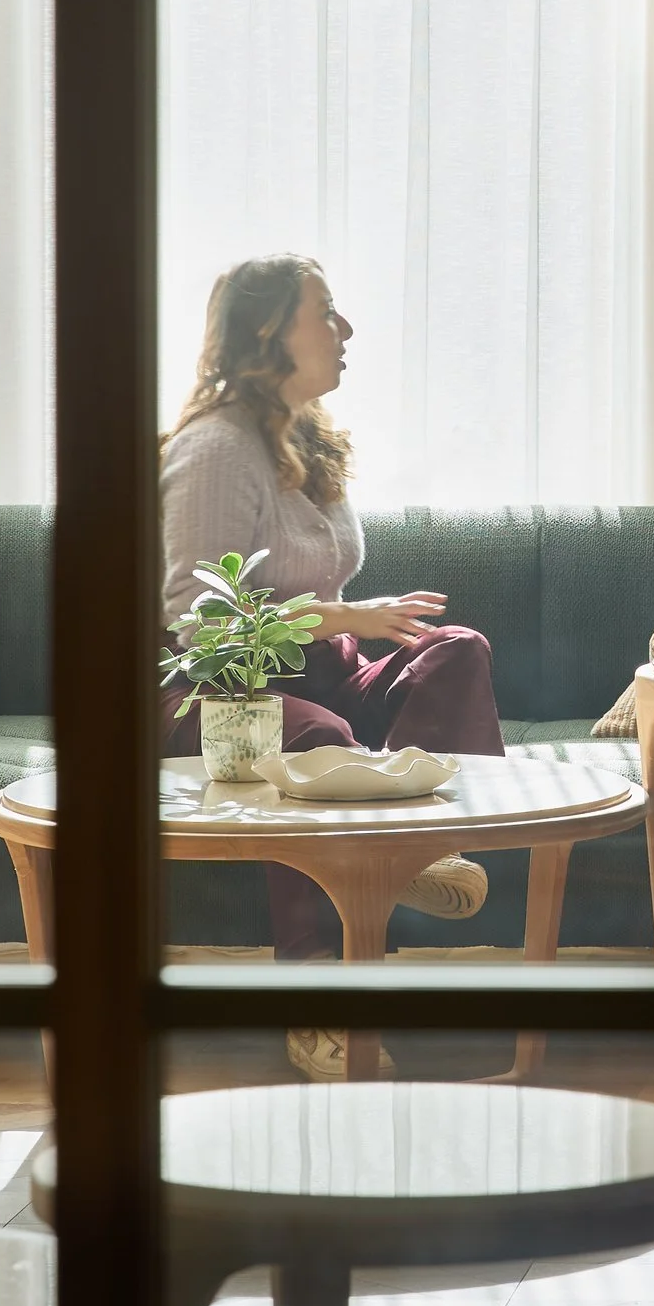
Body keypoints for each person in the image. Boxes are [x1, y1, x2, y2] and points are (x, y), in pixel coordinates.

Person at [159, 254, 502, 1074]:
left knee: (455, 651)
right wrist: (347, 615)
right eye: (328, 313)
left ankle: (407, 849)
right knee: (318, 733)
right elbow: (196, 615)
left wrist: (358, 623)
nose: (345, 331)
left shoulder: (307, 439)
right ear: (272, 329)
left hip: (321, 667)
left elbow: (315, 586)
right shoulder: (214, 449)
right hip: (223, 688)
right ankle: (314, 996)